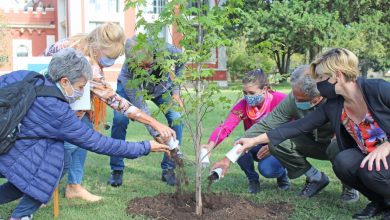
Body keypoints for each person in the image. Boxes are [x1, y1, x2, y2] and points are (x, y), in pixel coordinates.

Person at [0, 48, 170, 220]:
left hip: (8, 142)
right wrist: (145, 146)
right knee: (55, 163)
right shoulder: (58, 112)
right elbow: (99, 143)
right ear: (65, 82)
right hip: (6, 149)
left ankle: (22, 213)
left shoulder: (27, 77)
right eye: (81, 87)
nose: (82, 92)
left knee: (52, 159)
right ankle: (20, 216)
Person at [232, 48, 390, 219]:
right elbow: (297, 127)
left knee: (371, 171)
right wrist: (253, 141)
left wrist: (387, 145)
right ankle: (379, 202)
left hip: (385, 153)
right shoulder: (334, 104)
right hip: (368, 154)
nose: (318, 84)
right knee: (343, 162)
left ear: (337, 75)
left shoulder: (378, 89)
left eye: (321, 78)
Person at [44, 23, 175, 201]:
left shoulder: (82, 42)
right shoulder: (88, 67)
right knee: (67, 148)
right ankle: (39, 190)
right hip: (59, 108)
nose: (111, 62)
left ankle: (74, 187)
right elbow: (118, 103)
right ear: (98, 48)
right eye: (110, 57)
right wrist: (154, 123)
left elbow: (48, 51)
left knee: (84, 133)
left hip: (79, 107)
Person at [211, 65, 359, 202]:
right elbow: (267, 124)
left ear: (317, 97)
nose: (296, 101)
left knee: (337, 146)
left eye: (301, 99)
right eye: (294, 96)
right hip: (312, 143)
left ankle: (350, 186)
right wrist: (228, 158)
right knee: (278, 142)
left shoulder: (337, 98)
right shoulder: (293, 99)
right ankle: (316, 178)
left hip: (338, 144)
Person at [108, 36, 185, 187]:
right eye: (141, 67)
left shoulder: (164, 48)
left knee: (176, 118)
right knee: (119, 120)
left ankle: (169, 168)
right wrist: (156, 133)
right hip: (131, 90)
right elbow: (141, 109)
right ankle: (117, 169)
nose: (146, 69)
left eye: (148, 65)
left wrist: (176, 92)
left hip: (160, 87)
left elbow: (182, 60)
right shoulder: (127, 74)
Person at [203, 69, 289, 194]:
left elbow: (293, 128)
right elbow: (226, 126)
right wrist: (210, 145)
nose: (248, 96)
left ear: (264, 89)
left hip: (278, 144)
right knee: (239, 145)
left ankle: (282, 176)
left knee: (267, 169)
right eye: (245, 92)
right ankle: (253, 179)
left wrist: (272, 145)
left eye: (252, 92)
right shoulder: (243, 105)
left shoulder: (281, 100)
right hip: (254, 143)